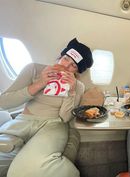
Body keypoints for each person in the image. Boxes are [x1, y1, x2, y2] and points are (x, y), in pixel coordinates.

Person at [0, 38, 93, 177]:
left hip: (53, 124)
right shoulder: (34, 69)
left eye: (73, 65)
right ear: (60, 56)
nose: (66, 66)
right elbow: (4, 102)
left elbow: (65, 118)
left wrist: (71, 92)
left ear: (77, 71)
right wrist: (40, 83)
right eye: (66, 58)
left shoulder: (78, 86)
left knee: (24, 169)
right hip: (24, 120)